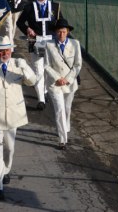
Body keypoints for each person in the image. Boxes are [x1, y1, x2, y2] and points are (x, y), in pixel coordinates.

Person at [0, 36, 36, 200]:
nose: (4, 53)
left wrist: (24, 66)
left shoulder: (17, 65)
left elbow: (32, 81)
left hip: (13, 117)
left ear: (11, 50)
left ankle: (6, 170)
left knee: (9, 149)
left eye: (7, 50)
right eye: (1, 50)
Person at [16, 0, 62, 111]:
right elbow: (20, 23)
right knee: (38, 69)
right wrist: (27, 30)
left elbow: (61, 24)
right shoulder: (29, 7)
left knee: (49, 68)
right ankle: (41, 98)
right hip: (36, 41)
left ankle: (46, 90)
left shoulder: (55, 7)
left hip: (51, 42)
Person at [44, 19, 82, 150]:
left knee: (67, 108)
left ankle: (65, 127)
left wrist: (68, 79)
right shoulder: (49, 45)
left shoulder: (75, 44)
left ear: (68, 32)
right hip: (55, 84)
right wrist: (57, 78)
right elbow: (46, 65)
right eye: (59, 32)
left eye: (64, 32)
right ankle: (62, 139)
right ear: (55, 32)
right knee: (59, 109)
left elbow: (77, 65)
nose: (61, 34)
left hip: (69, 83)